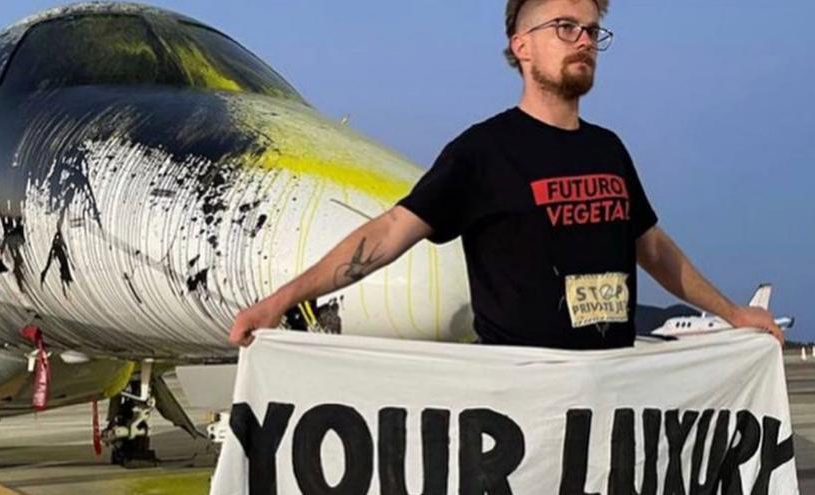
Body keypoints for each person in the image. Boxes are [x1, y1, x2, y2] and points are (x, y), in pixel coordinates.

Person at [229, 0, 783, 348]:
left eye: (592, 31)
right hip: (521, 405)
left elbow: (655, 249)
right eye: (566, 26)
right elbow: (385, 235)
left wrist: (733, 312)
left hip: (612, 396)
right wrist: (278, 301)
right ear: (521, 45)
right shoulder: (482, 152)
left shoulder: (609, 150)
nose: (585, 41)